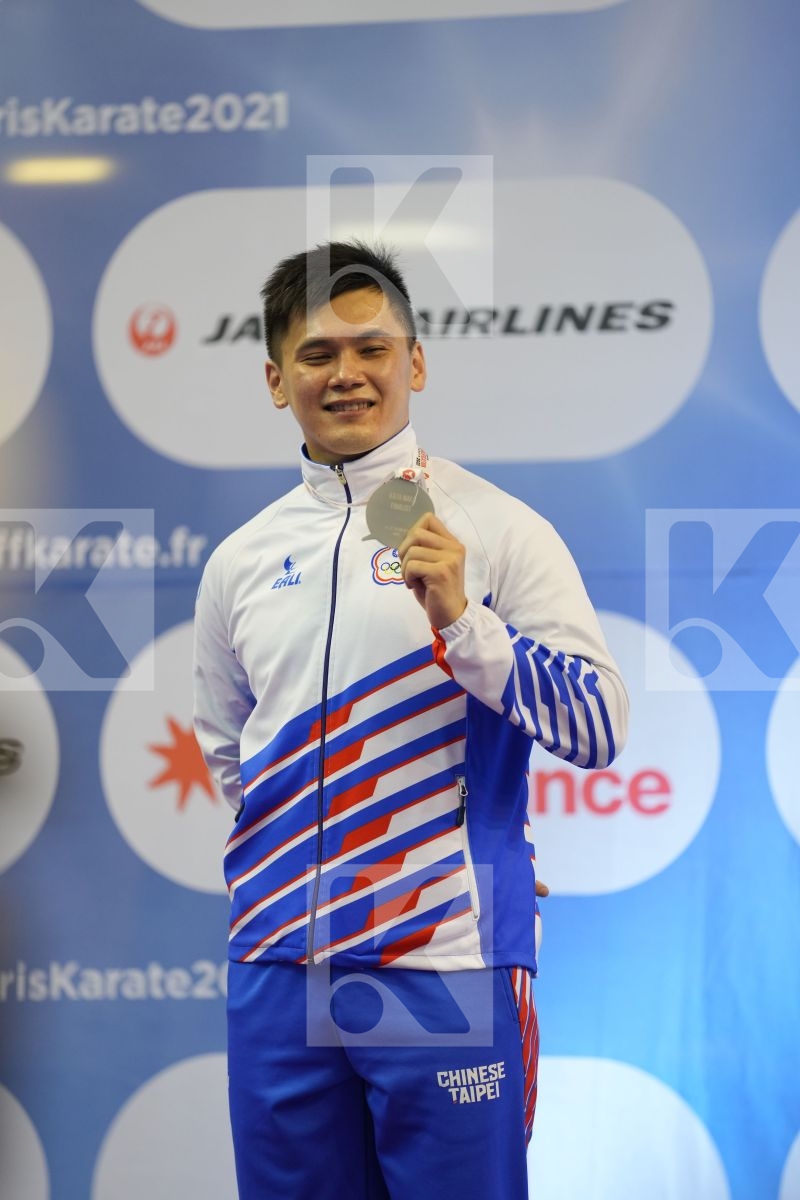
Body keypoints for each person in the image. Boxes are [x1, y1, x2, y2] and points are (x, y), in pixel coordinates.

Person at [193, 240, 629, 1200]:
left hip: (441, 963)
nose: (346, 373)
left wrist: (467, 626)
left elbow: (598, 725)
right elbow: (229, 748)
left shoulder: (496, 527)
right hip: (278, 964)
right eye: (315, 355)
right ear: (276, 380)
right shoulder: (240, 559)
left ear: (416, 364)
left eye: (373, 348)